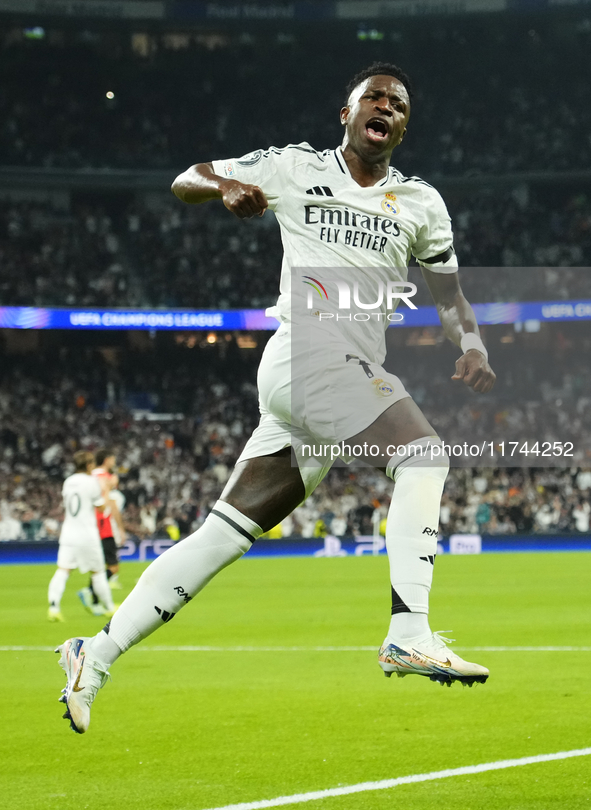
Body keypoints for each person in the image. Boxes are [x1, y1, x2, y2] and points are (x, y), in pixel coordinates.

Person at [56, 61, 496, 733]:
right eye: (371, 97)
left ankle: (96, 650)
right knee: (423, 457)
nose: (384, 106)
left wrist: (471, 346)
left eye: (397, 103)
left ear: (403, 126)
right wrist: (228, 185)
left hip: (330, 382)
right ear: (343, 115)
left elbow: (449, 296)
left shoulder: (421, 205)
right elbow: (186, 178)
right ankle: (409, 629)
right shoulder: (293, 167)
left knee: (222, 535)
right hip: (308, 355)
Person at [48, 451, 116, 624]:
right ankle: (109, 607)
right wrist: (106, 489)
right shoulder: (91, 483)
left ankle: (54, 607)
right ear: (88, 465)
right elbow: (102, 508)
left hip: (68, 533)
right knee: (98, 572)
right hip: (87, 534)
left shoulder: (68, 482)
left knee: (63, 570)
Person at [77, 450, 127, 615]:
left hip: (93, 525)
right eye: (113, 459)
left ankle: (96, 601)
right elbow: (110, 504)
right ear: (107, 460)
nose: (114, 462)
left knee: (99, 567)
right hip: (104, 525)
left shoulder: (91, 476)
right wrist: (120, 528)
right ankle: (90, 591)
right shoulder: (104, 478)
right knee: (112, 567)